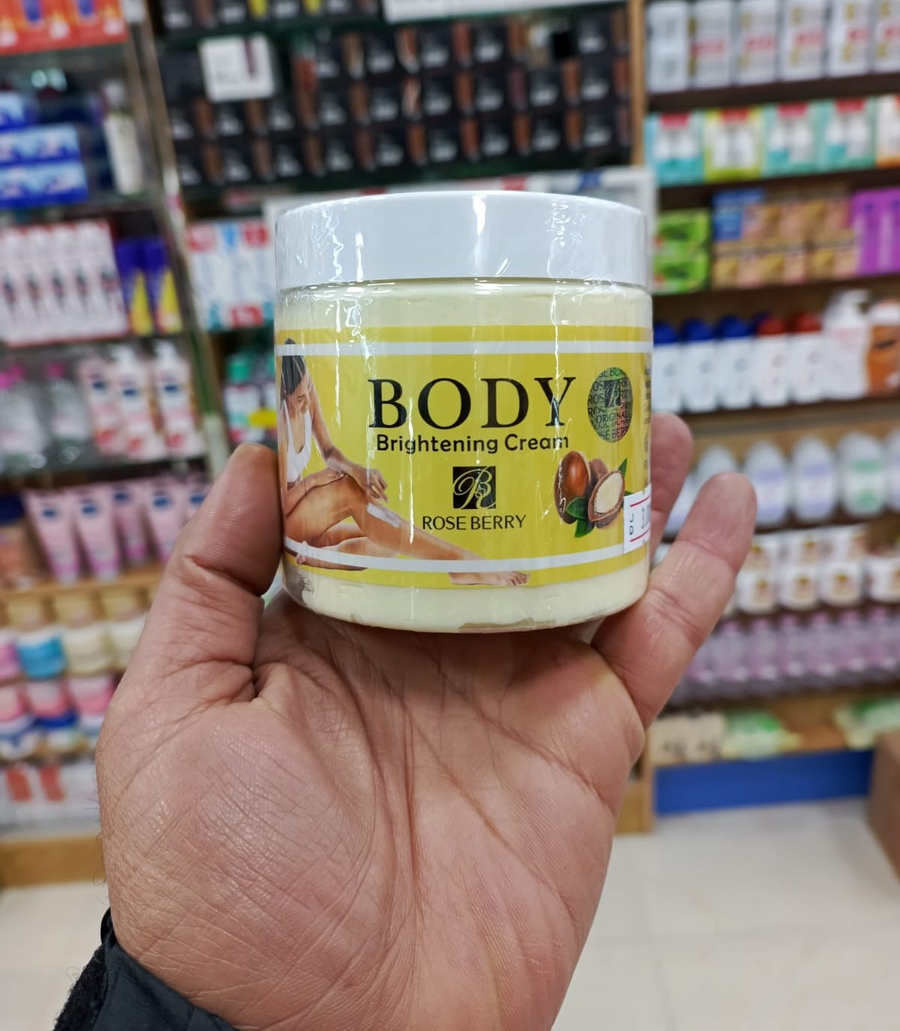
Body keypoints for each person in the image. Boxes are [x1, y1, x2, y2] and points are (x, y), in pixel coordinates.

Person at [57, 414, 755, 1031]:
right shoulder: (302, 378)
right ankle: (475, 569)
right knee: (372, 518)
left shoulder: (308, 396)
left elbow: (329, 444)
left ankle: (472, 568)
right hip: (322, 520)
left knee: (374, 512)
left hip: (338, 509)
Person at [279, 343, 527, 587]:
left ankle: (317, 556)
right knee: (348, 490)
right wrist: (314, 480)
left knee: (389, 542)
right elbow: (284, 503)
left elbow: (329, 451)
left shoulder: (307, 395)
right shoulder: (282, 420)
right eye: (300, 398)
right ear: (285, 394)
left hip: (312, 517)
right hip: (294, 518)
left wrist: (358, 470)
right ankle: (459, 562)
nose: (307, 401)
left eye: (309, 388)